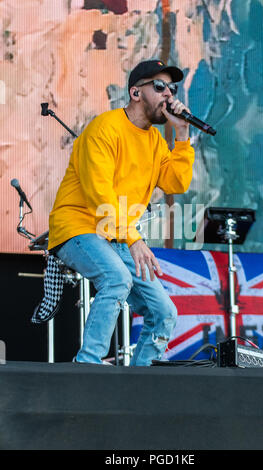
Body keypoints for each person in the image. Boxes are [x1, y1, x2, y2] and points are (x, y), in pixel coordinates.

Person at [47, 59, 195, 365]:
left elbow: (176, 182)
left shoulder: (154, 140)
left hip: (117, 236)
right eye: (159, 86)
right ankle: (87, 366)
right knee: (116, 279)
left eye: (172, 88)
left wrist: (182, 135)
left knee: (164, 312)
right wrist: (134, 239)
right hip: (78, 226)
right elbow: (99, 195)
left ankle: (141, 384)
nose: (168, 94)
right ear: (136, 93)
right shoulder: (104, 128)